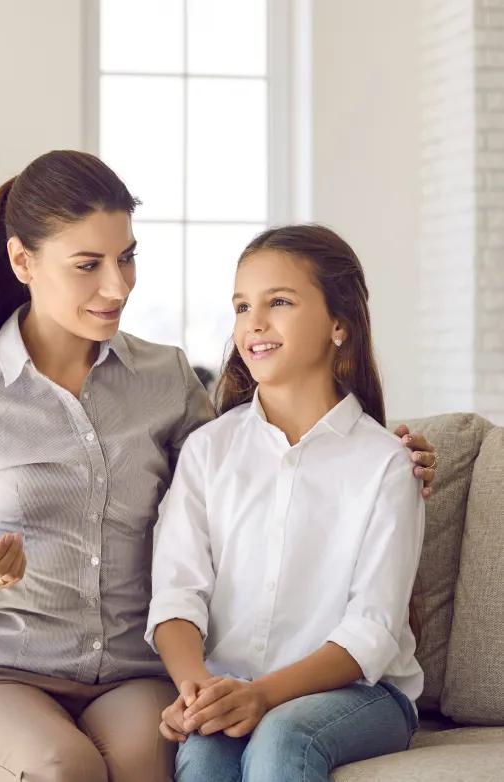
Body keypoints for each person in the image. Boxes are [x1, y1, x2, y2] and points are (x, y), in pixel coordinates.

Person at [0, 151, 437, 782]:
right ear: (23, 261)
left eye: (127, 257)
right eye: (88, 265)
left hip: (130, 676)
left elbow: (258, 476)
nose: (118, 286)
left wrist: (389, 459)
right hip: (2, 669)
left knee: (164, 758)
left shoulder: (165, 377)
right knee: (64, 769)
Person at [148, 225, 425, 781]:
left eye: (279, 302)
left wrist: (263, 696)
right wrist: (195, 688)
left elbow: (371, 631)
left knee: (282, 735)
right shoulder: (208, 451)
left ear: (339, 324)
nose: (254, 322)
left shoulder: (385, 464)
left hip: (362, 694)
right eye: (242, 305)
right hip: (229, 687)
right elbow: (177, 593)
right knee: (202, 757)